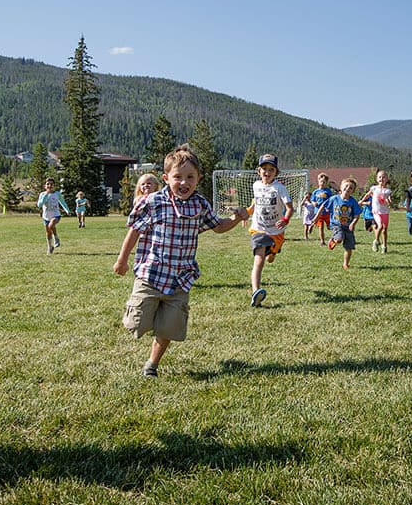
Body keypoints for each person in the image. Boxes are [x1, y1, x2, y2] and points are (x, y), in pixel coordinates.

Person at [112, 145, 248, 377]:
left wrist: (236, 217)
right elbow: (134, 231)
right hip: (151, 275)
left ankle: (152, 364)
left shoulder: (200, 204)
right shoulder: (152, 202)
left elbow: (219, 227)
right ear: (166, 178)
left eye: (190, 177)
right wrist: (122, 260)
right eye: (177, 177)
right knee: (135, 324)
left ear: (198, 179)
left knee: (169, 328)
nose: (183, 183)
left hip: (180, 279)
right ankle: (149, 313)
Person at [247, 153, 293, 307]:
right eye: (264, 169)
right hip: (258, 229)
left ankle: (272, 252)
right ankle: (256, 292)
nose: (267, 172)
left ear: (276, 172)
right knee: (259, 259)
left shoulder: (280, 188)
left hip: (276, 232)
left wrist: (285, 219)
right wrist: (247, 212)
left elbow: (290, 208)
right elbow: (254, 204)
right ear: (258, 171)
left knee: (270, 256)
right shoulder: (255, 185)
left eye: (271, 169)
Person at [324, 178, 363, 269]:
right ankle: (334, 239)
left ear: (352, 191)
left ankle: (345, 264)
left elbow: (357, 215)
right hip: (337, 225)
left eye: (350, 188)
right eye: (346, 186)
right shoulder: (334, 198)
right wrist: (316, 217)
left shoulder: (353, 202)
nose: (347, 189)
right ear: (341, 188)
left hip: (348, 227)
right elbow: (323, 206)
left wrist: (353, 223)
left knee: (349, 247)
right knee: (339, 239)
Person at [37, 178, 71, 253]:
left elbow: (62, 202)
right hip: (46, 216)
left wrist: (67, 210)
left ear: (54, 186)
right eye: (48, 184)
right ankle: (50, 247)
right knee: (48, 232)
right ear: (45, 186)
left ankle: (56, 238)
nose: (49, 185)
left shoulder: (57, 194)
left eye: (51, 184)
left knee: (51, 225)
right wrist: (46, 195)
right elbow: (39, 205)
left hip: (56, 215)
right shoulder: (42, 194)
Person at [364, 169, 393, 253]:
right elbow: (367, 195)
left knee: (384, 230)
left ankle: (384, 246)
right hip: (376, 212)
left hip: (385, 212)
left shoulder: (388, 191)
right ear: (377, 179)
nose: (381, 179)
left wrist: (389, 202)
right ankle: (376, 241)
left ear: (387, 179)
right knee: (380, 226)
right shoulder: (374, 188)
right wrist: (362, 201)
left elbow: (389, 200)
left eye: (384, 177)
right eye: (380, 177)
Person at [308, 173, 335, 246]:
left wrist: (329, 208)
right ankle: (322, 241)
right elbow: (312, 200)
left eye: (324, 182)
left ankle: (335, 237)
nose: (322, 183)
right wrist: (314, 203)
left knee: (330, 227)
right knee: (321, 227)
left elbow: (331, 200)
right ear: (318, 181)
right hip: (318, 213)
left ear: (326, 183)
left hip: (326, 213)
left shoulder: (328, 191)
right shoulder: (315, 192)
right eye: (321, 181)